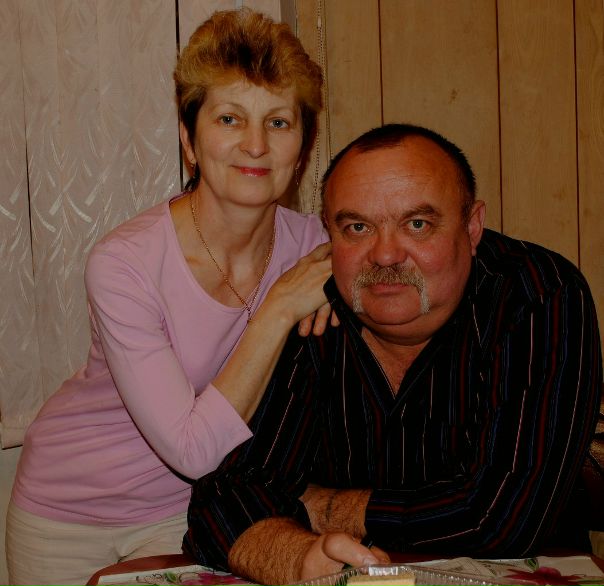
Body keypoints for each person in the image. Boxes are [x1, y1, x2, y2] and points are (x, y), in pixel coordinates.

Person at [185, 123, 603, 585]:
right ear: (329, 236)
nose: (384, 255)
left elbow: (503, 518)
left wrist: (327, 507)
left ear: (472, 227)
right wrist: (298, 558)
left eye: (417, 224)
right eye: (357, 227)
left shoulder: (536, 294)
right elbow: (220, 502)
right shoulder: (312, 312)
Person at [6, 9, 332, 586]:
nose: (256, 144)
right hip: (66, 517)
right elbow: (191, 449)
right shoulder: (124, 262)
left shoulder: (317, 249)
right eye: (230, 118)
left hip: (188, 515)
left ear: (302, 148)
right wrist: (281, 306)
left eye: (279, 122)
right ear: (189, 139)